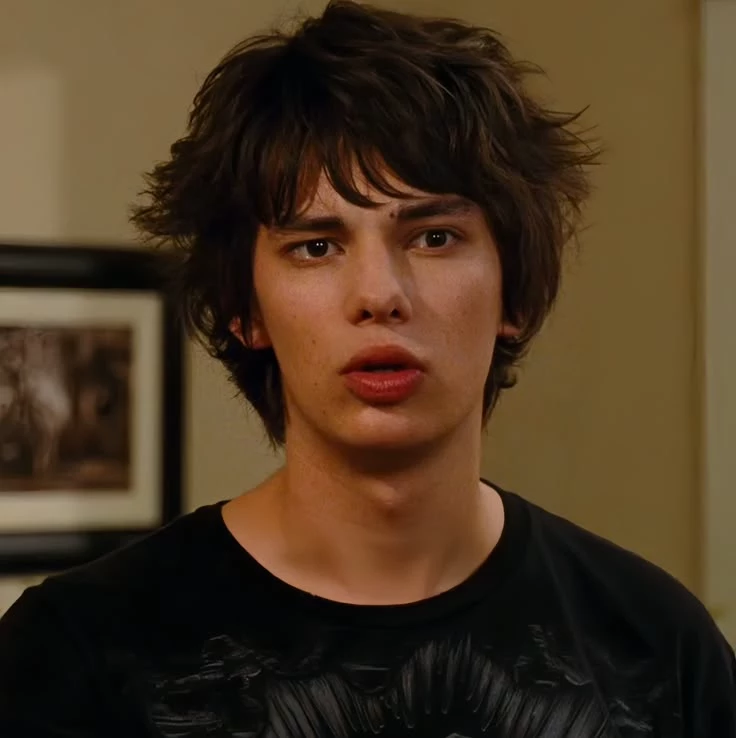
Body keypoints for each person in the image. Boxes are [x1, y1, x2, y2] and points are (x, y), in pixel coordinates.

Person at [1, 1, 733, 735]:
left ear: (513, 291)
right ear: (245, 311)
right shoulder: (76, 652)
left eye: (434, 237)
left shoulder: (656, 647)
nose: (379, 295)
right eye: (316, 247)